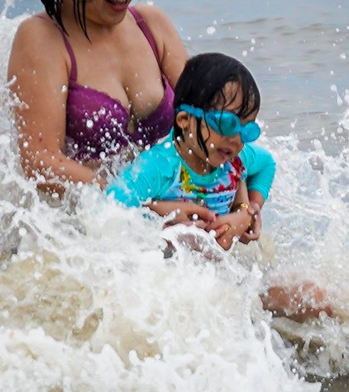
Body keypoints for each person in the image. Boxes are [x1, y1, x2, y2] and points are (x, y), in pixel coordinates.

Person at [8, 0, 191, 199]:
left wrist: (243, 207)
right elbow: (40, 164)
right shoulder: (42, 39)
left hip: (169, 224)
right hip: (82, 239)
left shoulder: (153, 27)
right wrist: (141, 203)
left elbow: (212, 125)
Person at [107, 53, 275, 252]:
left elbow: (267, 164)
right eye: (226, 124)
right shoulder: (160, 166)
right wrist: (160, 213)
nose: (237, 139)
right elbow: (108, 210)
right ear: (185, 120)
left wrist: (247, 211)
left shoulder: (235, 158)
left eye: (247, 130)